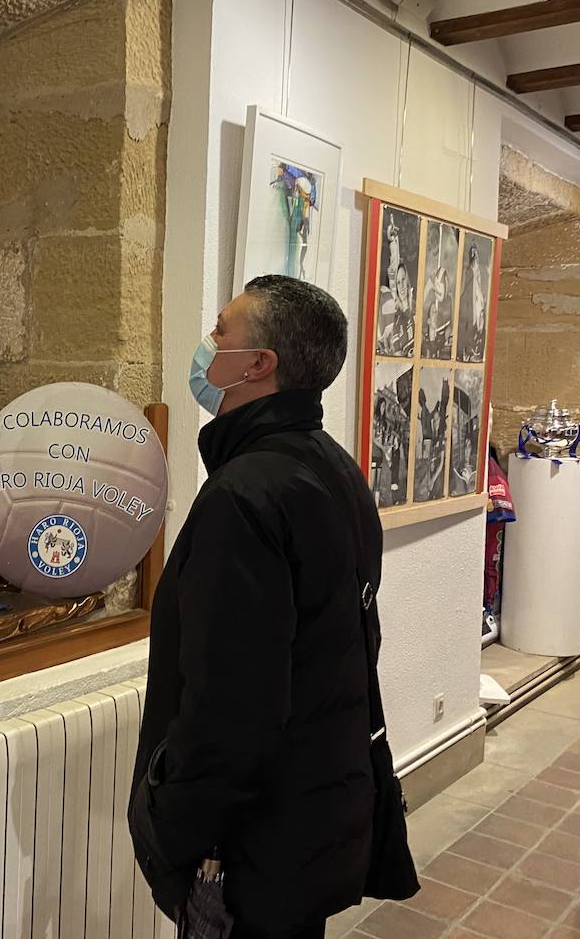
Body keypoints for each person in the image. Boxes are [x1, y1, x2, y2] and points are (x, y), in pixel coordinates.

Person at [129, 275, 379, 938]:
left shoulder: (244, 497)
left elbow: (231, 707)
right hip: (311, 814)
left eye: (221, 333)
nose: (207, 346)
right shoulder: (334, 467)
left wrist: (174, 828)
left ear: (260, 364)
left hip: (250, 843)